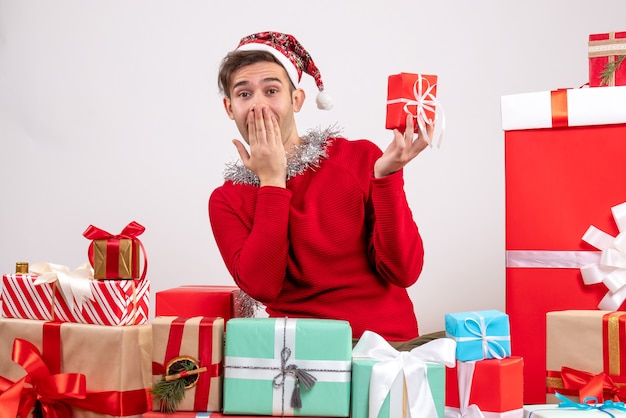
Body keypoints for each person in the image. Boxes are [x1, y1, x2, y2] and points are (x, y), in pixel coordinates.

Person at [209, 31, 434, 343]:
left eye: (271, 90)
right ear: (229, 107)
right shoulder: (227, 200)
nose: (258, 105)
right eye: (244, 94)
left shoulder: (357, 159)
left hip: (384, 346)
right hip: (298, 357)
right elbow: (262, 286)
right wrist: (272, 182)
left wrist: (386, 179)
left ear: (297, 100)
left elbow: (404, 271)